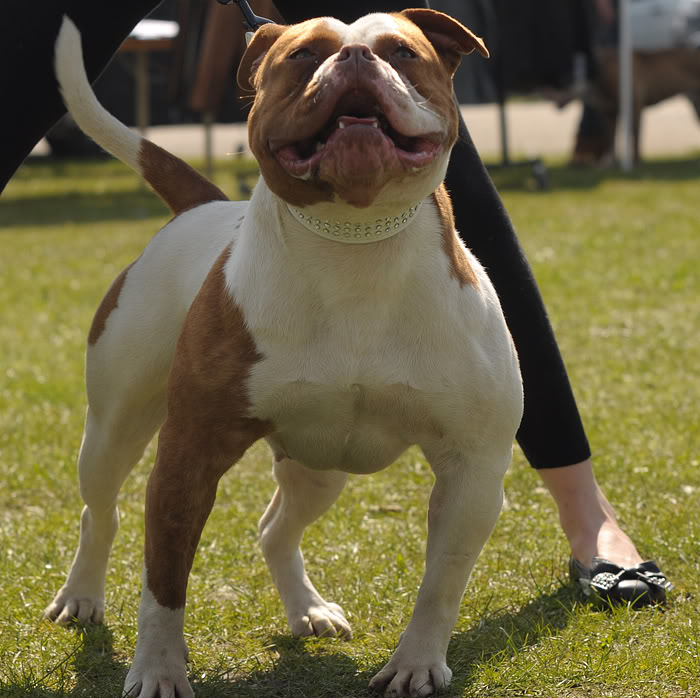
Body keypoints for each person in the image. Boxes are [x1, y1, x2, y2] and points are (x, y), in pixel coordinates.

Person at [0, 0, 670, 605]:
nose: (353, 63)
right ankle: (96, 540)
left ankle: (587, 515)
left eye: (400, 54)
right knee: (112, 440)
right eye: (308, 58)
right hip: (194, 270)